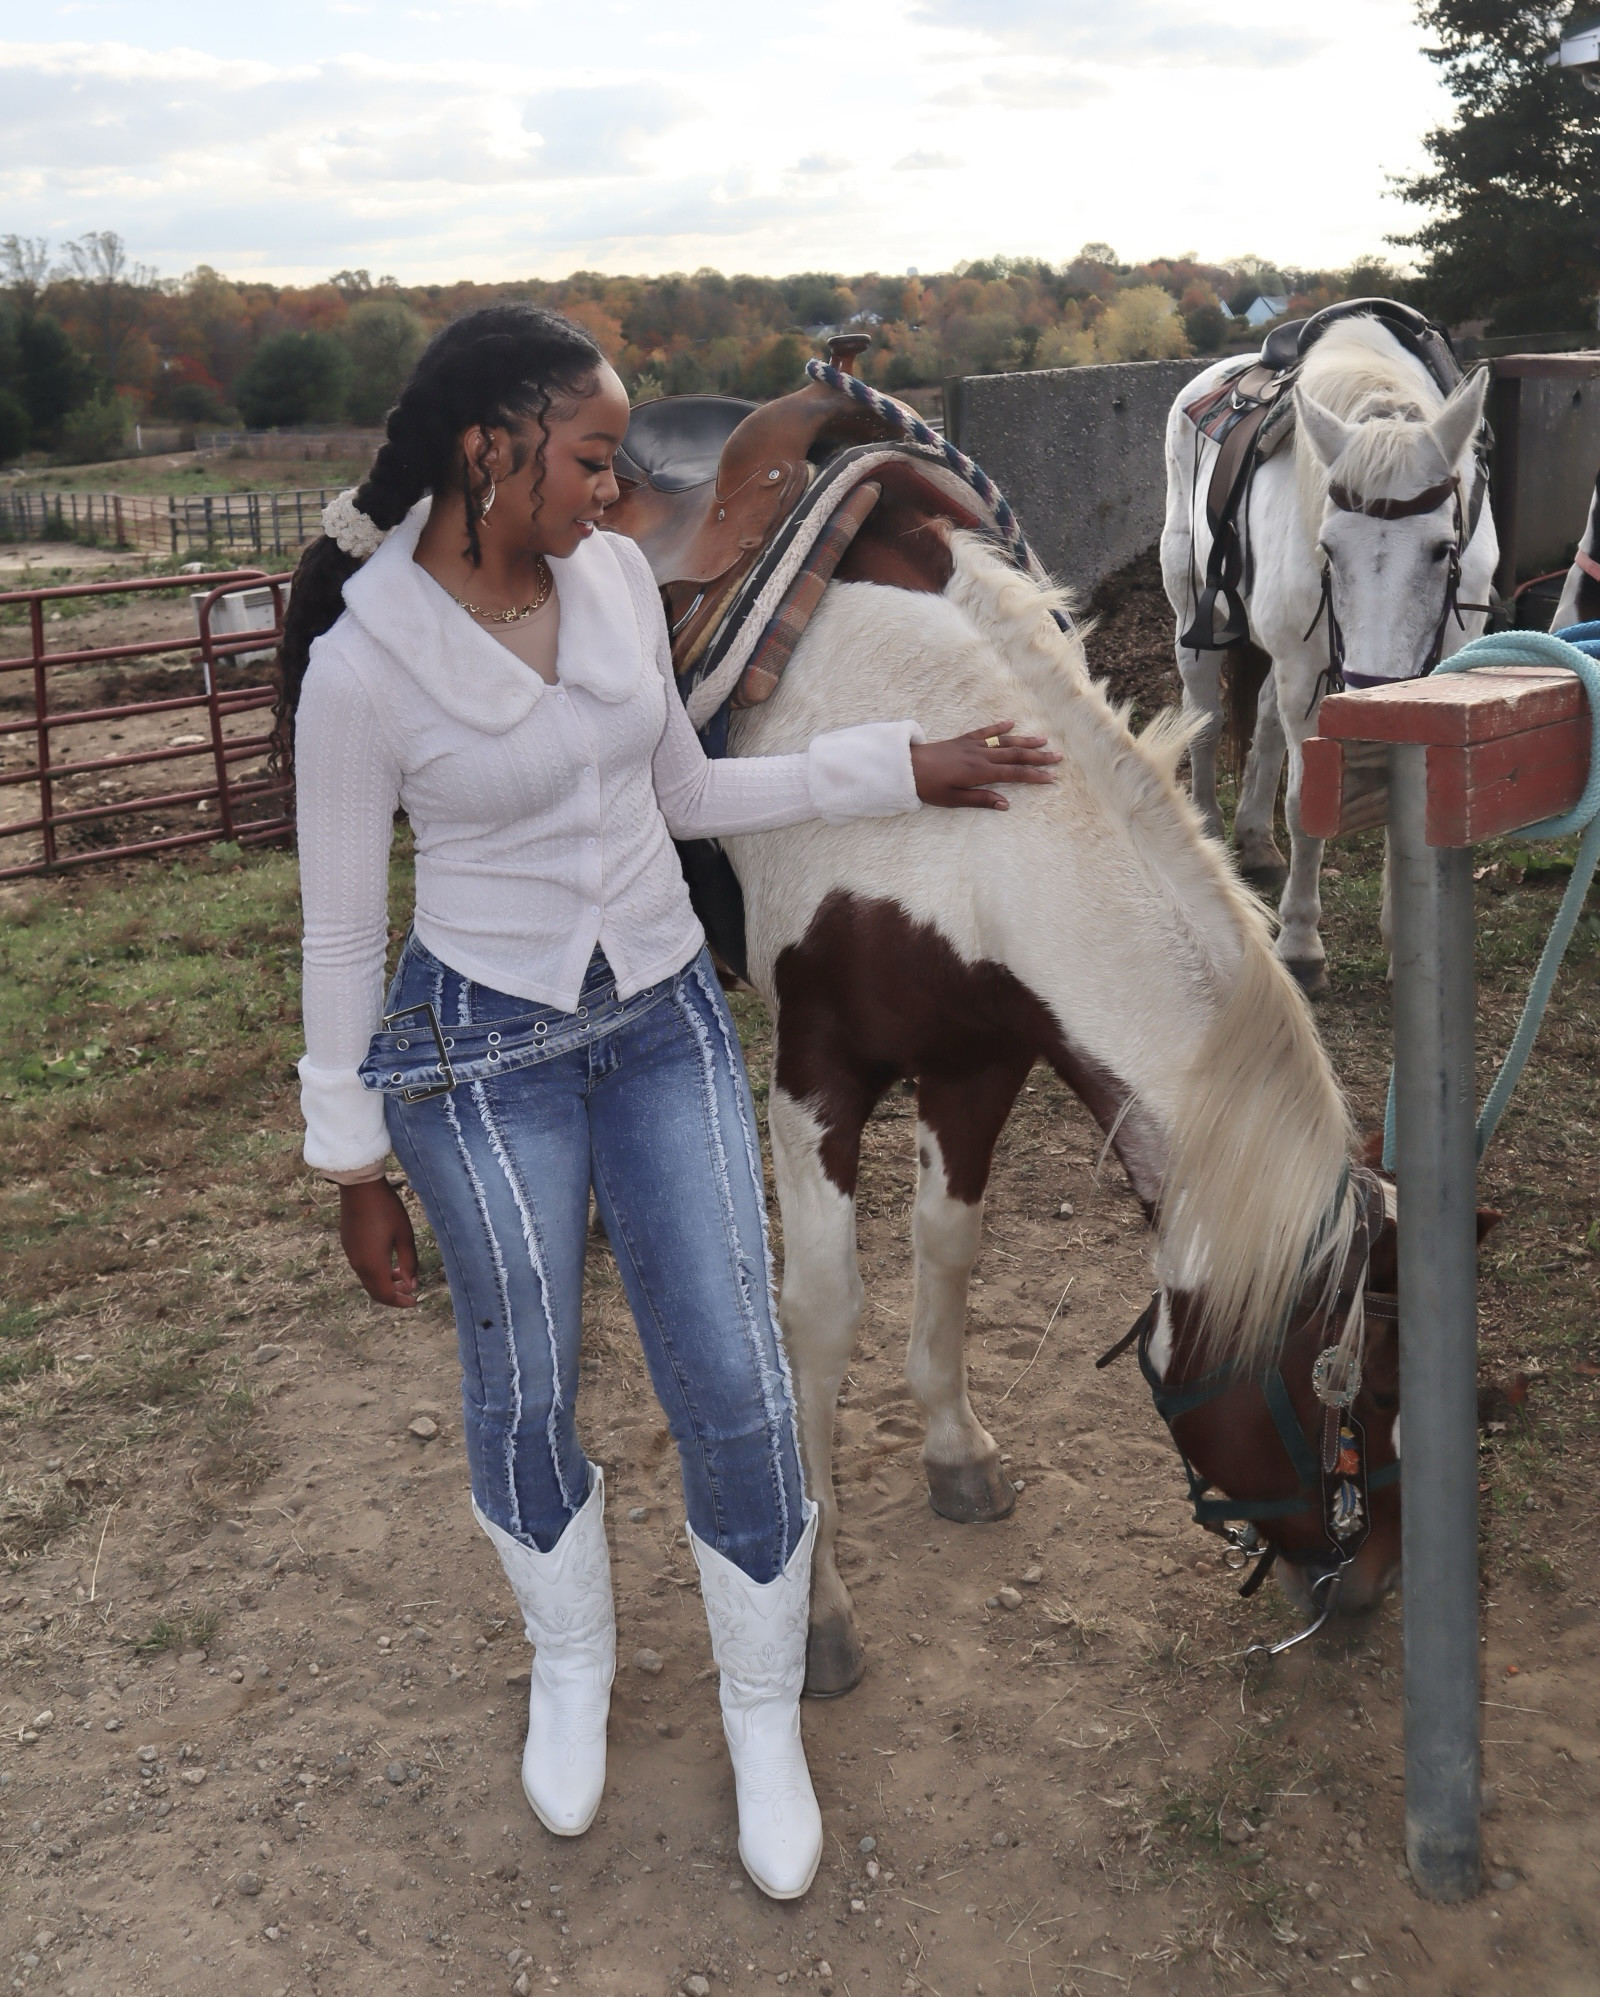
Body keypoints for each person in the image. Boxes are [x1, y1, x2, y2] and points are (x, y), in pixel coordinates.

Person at [279, 304, 1057, 1901]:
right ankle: (571, 1665)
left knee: (739, 1380)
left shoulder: (619, 583)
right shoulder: (362, 666)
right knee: (522, 1386)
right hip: (479, 1054)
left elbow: (688, 795)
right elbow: (340, 932)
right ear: (488, 448)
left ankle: (761, 1713)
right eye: (588, 458)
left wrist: (897, 765)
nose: (616, 490)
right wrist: (350, 1159)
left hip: (660, 1020)